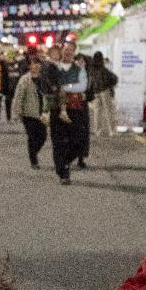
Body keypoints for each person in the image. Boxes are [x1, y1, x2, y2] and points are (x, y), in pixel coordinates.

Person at [49, 41, 89, 184]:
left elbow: (83, 86)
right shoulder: (53, 67)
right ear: (62, 51)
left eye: (71, 50)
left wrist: (66, 87)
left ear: (74, 52)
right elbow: (48, 85)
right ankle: (64, 172)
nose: (68, 52)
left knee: (78, 142)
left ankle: (63, 162)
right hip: (57, 109)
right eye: (66, 49)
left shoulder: (79, 69)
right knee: (58, 142)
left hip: (75, 109)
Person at [10, 55, 48, 168]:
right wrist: (16, 112)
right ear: (30, 66)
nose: (36, 66)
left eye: (38, 64)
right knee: (32, 137)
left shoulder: (44, 78)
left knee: (43, 136)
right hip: (29, 113)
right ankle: (33, 160)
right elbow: (18, 97)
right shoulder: (24, 80)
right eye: (33, 64)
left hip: (42, 113)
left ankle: (34, 153)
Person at [86, 50, 118, 138]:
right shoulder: (103, 68)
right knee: (108, 111)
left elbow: (90, 81)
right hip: (104, 91)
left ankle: (98, 131)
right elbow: (113, 78)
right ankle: (112, 130)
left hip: (95, 92)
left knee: (97, 112)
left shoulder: (91, 68)